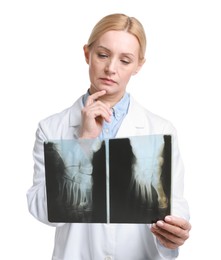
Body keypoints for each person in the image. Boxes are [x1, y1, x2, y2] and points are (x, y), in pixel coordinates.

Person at [27, 13, 191, 260]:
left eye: (125, 60)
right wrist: (83, 143)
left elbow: (174, 205)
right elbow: (43, 212)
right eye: (102, 55)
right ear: (87, 54)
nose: (111, 68)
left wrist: (173, 232)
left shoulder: (160, 129)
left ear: (138, 66)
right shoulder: (51, 128)